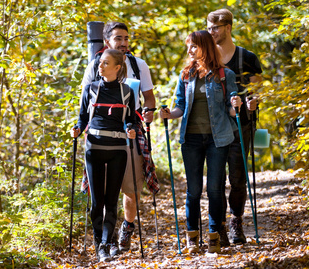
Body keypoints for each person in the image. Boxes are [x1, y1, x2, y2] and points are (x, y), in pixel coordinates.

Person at [159, 30, 242, 254]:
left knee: (215, 189)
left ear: (205, 46)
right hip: (191, 139)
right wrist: (168, 114)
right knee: (193, 190)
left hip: (219, 138)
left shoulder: (225, 75)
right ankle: (192, 238)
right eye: (188, 46)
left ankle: (214, 236)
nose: (189, 51)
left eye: (193, 46)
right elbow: (179, 107)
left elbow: (231, 111)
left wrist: (236, 105)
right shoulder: (186, 75)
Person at [81, 21, 156, 254]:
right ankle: (107, 239)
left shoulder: (138, 64)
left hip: (130, 135)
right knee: (101, 192)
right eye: (118, 39)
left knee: (130, 189)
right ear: (107, 42)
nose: (124, 43)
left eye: (126, 38)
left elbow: (149, 98)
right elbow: (85, 105)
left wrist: (147, 114)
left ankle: (126, 228)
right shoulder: (95, 66)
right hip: (100, 137)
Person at [71, 49, 137, 262]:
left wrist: (131, 128)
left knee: (112, 199)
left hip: (118, 149)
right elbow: (82, 118)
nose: (100, 66)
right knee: (97, 200)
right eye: (100, 62)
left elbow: (130, 119)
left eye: (105, 63)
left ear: (117, 68)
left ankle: (108, 243)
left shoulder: (127, 91)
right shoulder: (90, 89)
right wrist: (77, 129)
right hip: (94, 149)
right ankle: (100, 243)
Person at [207, 9, 263, 245]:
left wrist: (254, 100)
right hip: (214, 127)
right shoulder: (206, 58)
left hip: (243, 126)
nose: (211, 32)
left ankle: (236, 221)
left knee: (238, 178)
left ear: (228, 28)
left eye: (215, 28)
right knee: (216, 179)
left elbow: (260, 89)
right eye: (209, 28)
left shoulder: (247, 58)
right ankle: (218, 224)